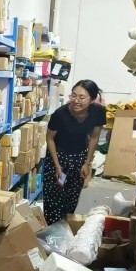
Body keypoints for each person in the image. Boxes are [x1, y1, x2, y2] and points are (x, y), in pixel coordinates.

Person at [43, 79, 106, 224]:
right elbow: (50, 138)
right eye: (73, 95)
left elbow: (94, 137)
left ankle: (65, 228)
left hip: (79, 158)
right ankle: (51, 231)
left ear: (92, 99)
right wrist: (57, 166)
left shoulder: (98, 112)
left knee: (71, 199)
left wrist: (87, 163)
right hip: (58, 158)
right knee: (54, 199)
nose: (76, 101)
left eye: (82, 97)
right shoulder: (60, 114)